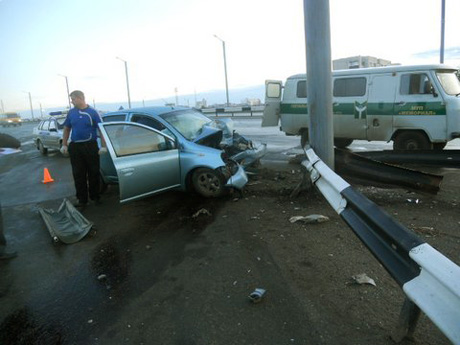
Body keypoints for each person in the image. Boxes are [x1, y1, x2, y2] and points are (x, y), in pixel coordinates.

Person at [61, 90, 106, 209]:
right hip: (76, 147)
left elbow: (102, 130)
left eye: (73, 99)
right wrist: (64, 145)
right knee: (78, 174)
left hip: (90, 146)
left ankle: (95, 197)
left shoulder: (93, 112)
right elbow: (66, 129)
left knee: (93, 173)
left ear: (80, 98)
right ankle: (82, 200)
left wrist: (103, 146)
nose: (72, 101)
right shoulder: (71, 113)